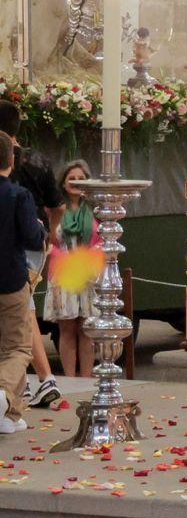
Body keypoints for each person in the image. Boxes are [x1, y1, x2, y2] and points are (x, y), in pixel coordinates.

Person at [0, 102, 62, 409]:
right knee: (21, 312)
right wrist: (50, 234)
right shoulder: (37, 160)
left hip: (13, 246)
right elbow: (57, 203)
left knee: (22, 313)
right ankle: (24, 389)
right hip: (33, 245)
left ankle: (43, 378)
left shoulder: (10, 163)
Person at [0, 133, 44, 435]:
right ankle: (3, 394)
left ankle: (10, 414)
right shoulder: (18, 195)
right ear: (11, 160)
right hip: (10, 279)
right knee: (17, 348)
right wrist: (40, 230)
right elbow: (31, 238)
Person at [42, 161, 95, 379]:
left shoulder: (95, 209)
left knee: (87, 330)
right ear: (63, 183)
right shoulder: (54, 209)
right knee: (67, 330)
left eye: (82, 179)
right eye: (72, 178)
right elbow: (49, 241)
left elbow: (100, 241)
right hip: (63, 273)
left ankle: (87, 378)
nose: (76, 182)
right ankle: (70, 379)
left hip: (88, 274)